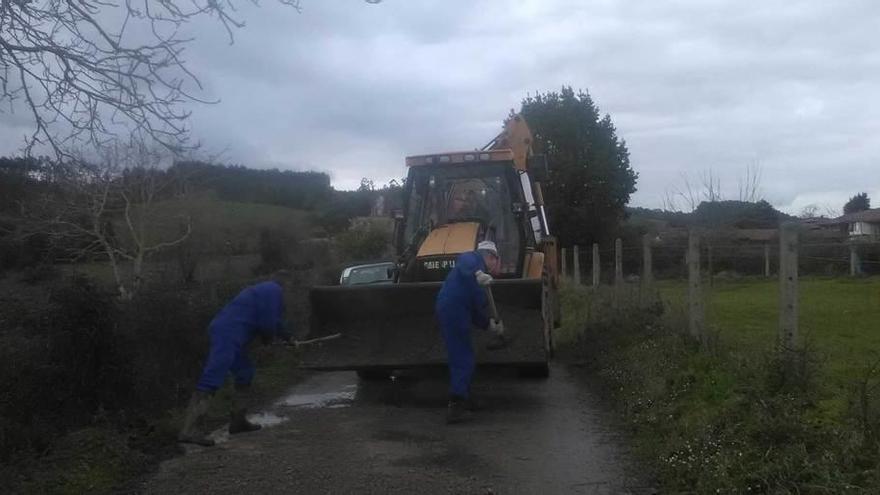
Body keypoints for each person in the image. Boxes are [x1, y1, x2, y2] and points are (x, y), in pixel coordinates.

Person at [178, 271, 293, 446]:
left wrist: (289, 338)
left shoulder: (265, 291)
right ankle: (190, 430)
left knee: (245, 372)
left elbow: (275, 321)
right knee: (213, 376)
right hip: (227, 333)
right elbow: (268, 322)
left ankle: (238, 421)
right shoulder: (273, 289)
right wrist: (268, 339)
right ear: (285, 283)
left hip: (231, 333)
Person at [435, 240, 506, 424]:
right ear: (490, 256)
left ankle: (464, 396)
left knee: (465, 355)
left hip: (459, 310)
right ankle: (456, 406)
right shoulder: (472, 258)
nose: (493, 265)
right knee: (462, 357)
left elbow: (475, 311)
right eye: (494, 260)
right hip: (453, 309)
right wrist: (478, 272)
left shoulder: (479, 283)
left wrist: (489, 324)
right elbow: (465, 262)